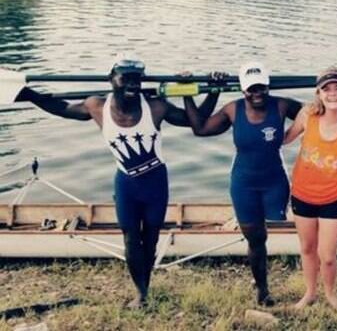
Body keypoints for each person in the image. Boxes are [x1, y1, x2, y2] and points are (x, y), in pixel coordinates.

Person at [16, 59, 220, 308]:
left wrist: (209, 90)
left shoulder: (156, 106)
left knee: (151, 238)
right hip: (126, 183)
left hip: (156, 182)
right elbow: (60, 107)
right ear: (111, 78)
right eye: (126, 78)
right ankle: (141, 293)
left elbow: (195, 121)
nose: (133, 83)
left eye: (137, 78)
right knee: (130, 239)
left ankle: (145, 285)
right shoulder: (97, 106)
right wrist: (27, 94)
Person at [183, 61, 302, 306]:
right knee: (256, 239)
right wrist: (195, 92)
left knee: (273, 231)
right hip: (244, 184)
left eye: (261, 88)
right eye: (251, 89)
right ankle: (262, 289)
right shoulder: (232, 110)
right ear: (242, 89)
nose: (257, 94)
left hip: (275, 183)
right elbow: (200, 129)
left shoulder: (281, 106)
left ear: (268, 87)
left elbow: (317, 114)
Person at [283, 66, 337, 310]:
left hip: (334, 197)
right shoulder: (307, 115)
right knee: (308, 249)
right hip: (302, 194)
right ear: (318, 93)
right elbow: (284, 138)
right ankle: (310, 293)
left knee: (328, 256)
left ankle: (330, 294)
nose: (332, 94)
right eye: (326, 89)